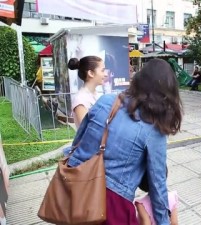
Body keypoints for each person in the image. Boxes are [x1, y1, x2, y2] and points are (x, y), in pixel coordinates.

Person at [66, 58, 183, 224]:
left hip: (75, 185)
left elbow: (78, 141)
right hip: (110, 203)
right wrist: (163, 221)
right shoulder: (154, 128)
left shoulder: (106, 101)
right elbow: (157, 184)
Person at [68, 56, 107, 128]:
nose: (105, 74)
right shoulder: (80, 100)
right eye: (102, 70)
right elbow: (87, 130)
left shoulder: (98, 94)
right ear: (91, 73)